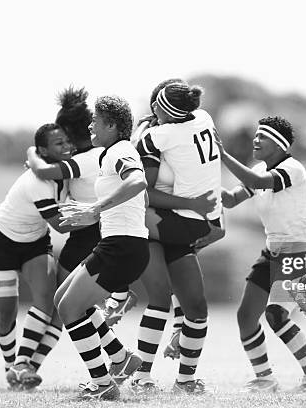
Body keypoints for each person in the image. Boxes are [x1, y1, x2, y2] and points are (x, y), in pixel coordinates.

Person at [24, 87, 139, 373]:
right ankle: (120, 357)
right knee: (71, 301)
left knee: (68, 305)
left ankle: (33, 367)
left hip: (93, 234)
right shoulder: (97, 154)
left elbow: (41, 171)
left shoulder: (87, 159)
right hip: (92, 232)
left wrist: (32, 152)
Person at [217, 116, 306, 393]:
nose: (255, 140)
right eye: (255, 136)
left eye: (262, 137)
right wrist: (195, 183)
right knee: (246, 316)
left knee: (277, 314)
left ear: (279, 144)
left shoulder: (292, 168)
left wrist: (221, 155)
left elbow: (257, 181)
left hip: (300, 251)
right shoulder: (258, 168)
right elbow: (231, 200)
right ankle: (265, 379)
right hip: (274, 251)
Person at [54, 95, 149, 400]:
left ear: (111, 125)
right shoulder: (109, 153)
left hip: (122, 247)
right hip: (119, 244)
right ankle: (121, 358)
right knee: (62, 299)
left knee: (69, 308)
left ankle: (102, 382)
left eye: (95, 119)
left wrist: (95, 210)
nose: (90, 124)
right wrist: (90, 209)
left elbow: (138, 182)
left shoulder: (120, 151)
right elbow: (138, 199)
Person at [130, 78, 220, 393]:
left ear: (164, 110)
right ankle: (141, 377)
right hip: (170, 221)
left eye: (157, 105)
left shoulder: (159, 135)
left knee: (197, 306)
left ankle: (186, 380)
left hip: (180, 222)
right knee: (159, 299)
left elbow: (147, 193)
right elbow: (143, 195)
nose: (153, 109)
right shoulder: (202, 118)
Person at [0, 123, 76, 389]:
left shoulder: (69, 168)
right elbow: (60, 225)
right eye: (59, 143)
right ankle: (10, 366)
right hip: (2, 241)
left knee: (48, 300)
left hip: (36, 242)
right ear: (44, 151)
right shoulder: (37, 181)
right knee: (6, 314)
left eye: (67, 141)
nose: (67, 147)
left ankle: (24, 365)